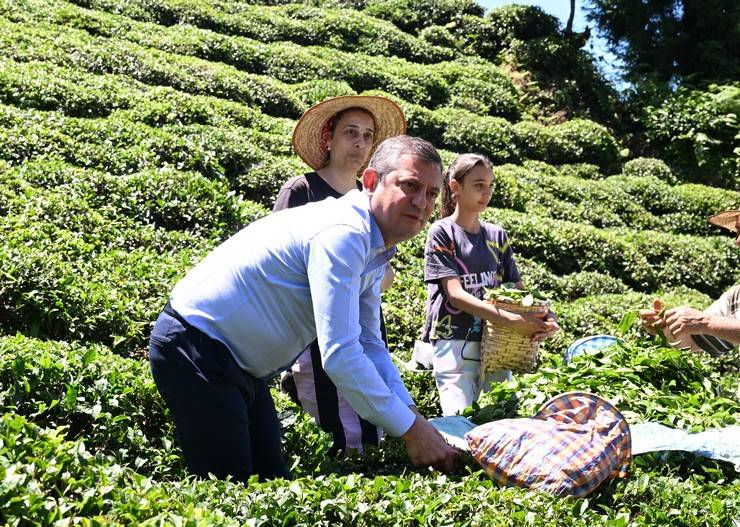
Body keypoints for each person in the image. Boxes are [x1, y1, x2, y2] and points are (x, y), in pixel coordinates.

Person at [148, 135, 458, 483]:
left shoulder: (374, 247)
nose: (421, 202)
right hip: (197, 348)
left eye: (432, 193)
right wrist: (412, 432)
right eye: (410, 185)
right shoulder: (345, 234)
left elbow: (370, 343)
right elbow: (340, 354)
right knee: (230, 488)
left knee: (269, 483)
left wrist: (412, 415)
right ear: (371, 181)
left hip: (241, 367)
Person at [273, 95, 405, 454]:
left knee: (369, 430)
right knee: (333, 434)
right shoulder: (302, 190)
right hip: (313, 333)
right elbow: (285, 265)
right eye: (351, 133)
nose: (360, 143)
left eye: (367, 135)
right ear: (328, 139)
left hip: (362, 327)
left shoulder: (372, 202)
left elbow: (386, 277)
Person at [421, 153, 560, 416]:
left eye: (490, 185)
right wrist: (513, 321)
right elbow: (455, 295)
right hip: (454, 339)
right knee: (458, 421)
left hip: (497, 343)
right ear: (455, 187)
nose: (486, 192)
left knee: (498, 420)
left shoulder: (497, 236)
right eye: (478, 185)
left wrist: (544, 316)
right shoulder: (441, 232)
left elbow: (518, 291)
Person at [639, 209, 740, 355]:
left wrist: (706, 322)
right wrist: (665, 328)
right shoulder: (736, 296)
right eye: (737, 231)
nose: (737, 241)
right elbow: (691, 342)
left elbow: (706, 323)